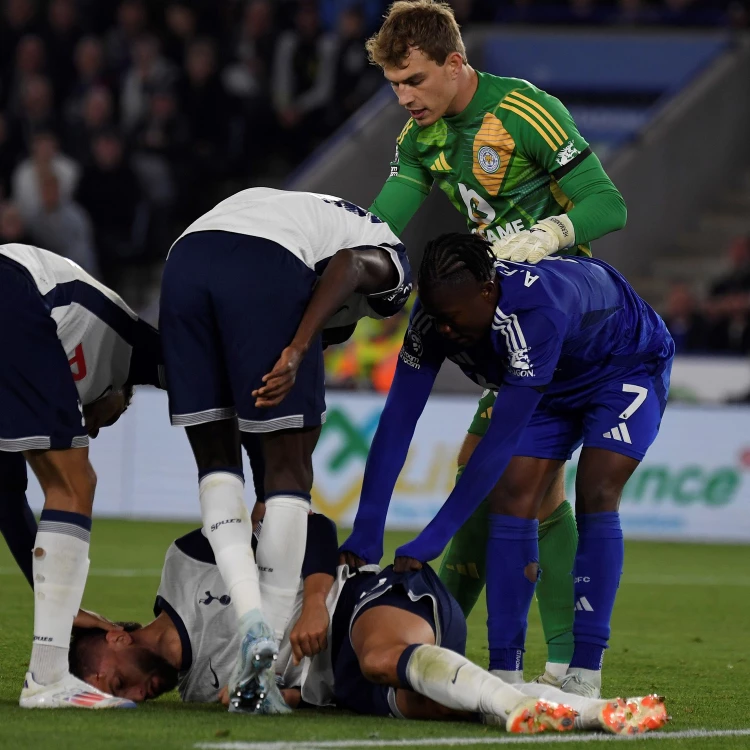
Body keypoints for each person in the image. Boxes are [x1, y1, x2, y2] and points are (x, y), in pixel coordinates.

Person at [355, 0, 628, 685]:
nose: (404, 98)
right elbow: (384, 222)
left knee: (507, 476)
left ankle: (496, 644)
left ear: (455, 63)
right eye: (394, 85)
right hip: (494, 319)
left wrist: (553, 234)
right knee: (523, 489)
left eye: (414, 80)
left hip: (554, 316)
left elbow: (609, 204)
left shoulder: (525, 111)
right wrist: (336, 247)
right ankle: (521, 652)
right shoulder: (420, 140)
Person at [342, 233, 674, 699]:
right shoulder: (434, 320)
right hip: (552, 379)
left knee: (597, 489)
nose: (445, 332)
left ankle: (585, 670)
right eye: (435, 318)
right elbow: (398, 418)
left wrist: (435, 535)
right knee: (513, 495)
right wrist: (368, 527)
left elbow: (496, 446)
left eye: (453, 320)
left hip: (624, 364)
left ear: (487, 291)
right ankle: (506, 673)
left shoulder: (535, 314)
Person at [158, 188, 412, 714]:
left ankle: (251, 619)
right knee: (291, 473)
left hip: (184, 259)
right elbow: (346, 266)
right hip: (265, 263)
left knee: (216, 465)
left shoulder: (307, 210)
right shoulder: (392, 261)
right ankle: (261, 667)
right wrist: (298, 347)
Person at [66, 514, 668, 736]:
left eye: (112, 682)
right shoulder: (199, 692)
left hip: (366, 601)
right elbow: (299, 692)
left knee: (385, 659)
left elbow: (315, 529)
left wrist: (310, 603)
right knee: (438, 710)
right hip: (346, 685)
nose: (132, 696)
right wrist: (284, 696)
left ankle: (513, 706)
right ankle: (593, 712)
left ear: (111, 635)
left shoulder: (189, 561)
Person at [0, 241, 163, 709]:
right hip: (15, 289)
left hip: (16, 292)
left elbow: (9, 500)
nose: (93, 426)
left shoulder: (44, 371)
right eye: (109, 418)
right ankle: (48, 677)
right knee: (76, 483)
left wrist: (62, 608)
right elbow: (199, 367)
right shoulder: (134, 348)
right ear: (120, 392)